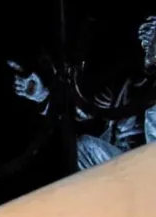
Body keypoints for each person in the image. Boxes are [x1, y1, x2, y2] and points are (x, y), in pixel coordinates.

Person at [8, 15, 156, 171]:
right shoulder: (126, 85)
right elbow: (83, 111)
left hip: (149, 168)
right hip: (123, 164)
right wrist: (42, 95)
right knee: (82, 148)